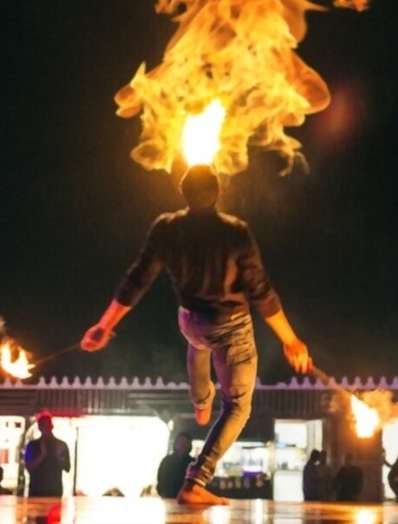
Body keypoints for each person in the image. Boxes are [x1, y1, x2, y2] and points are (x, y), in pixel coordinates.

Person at [80, 165, 312, 506]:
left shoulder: (166, 228)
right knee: (237, 406)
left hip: (191, 322)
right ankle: (196, 480)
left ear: (182, 191)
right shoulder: (236, 233)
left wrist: (105, 324)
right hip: (228, 327)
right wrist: (290, 340)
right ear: (217, 191)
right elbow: (261, 292)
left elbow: (137, 279)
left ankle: (201, 401)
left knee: (199, 341)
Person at [24, 414, 71, 497]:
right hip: (37, 489)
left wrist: (58, 456)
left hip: (54, 489)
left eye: (47, 426)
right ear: (39, 427)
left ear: (51, 426)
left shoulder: (60, 445)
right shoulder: (33, 445)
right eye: (43, 426)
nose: (46, 429)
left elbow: (67, 468)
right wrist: (42, 455)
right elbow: (29, 467)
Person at [157, 432, 194, 498]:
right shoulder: (167, 460)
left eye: (186, 443)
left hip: (186, 498)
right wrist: (162, 492)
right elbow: (161, 478)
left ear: (189, 445)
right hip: (168, 496)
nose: (183, 445)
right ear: (175, 444)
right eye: (180, 442)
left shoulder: (193, 462)